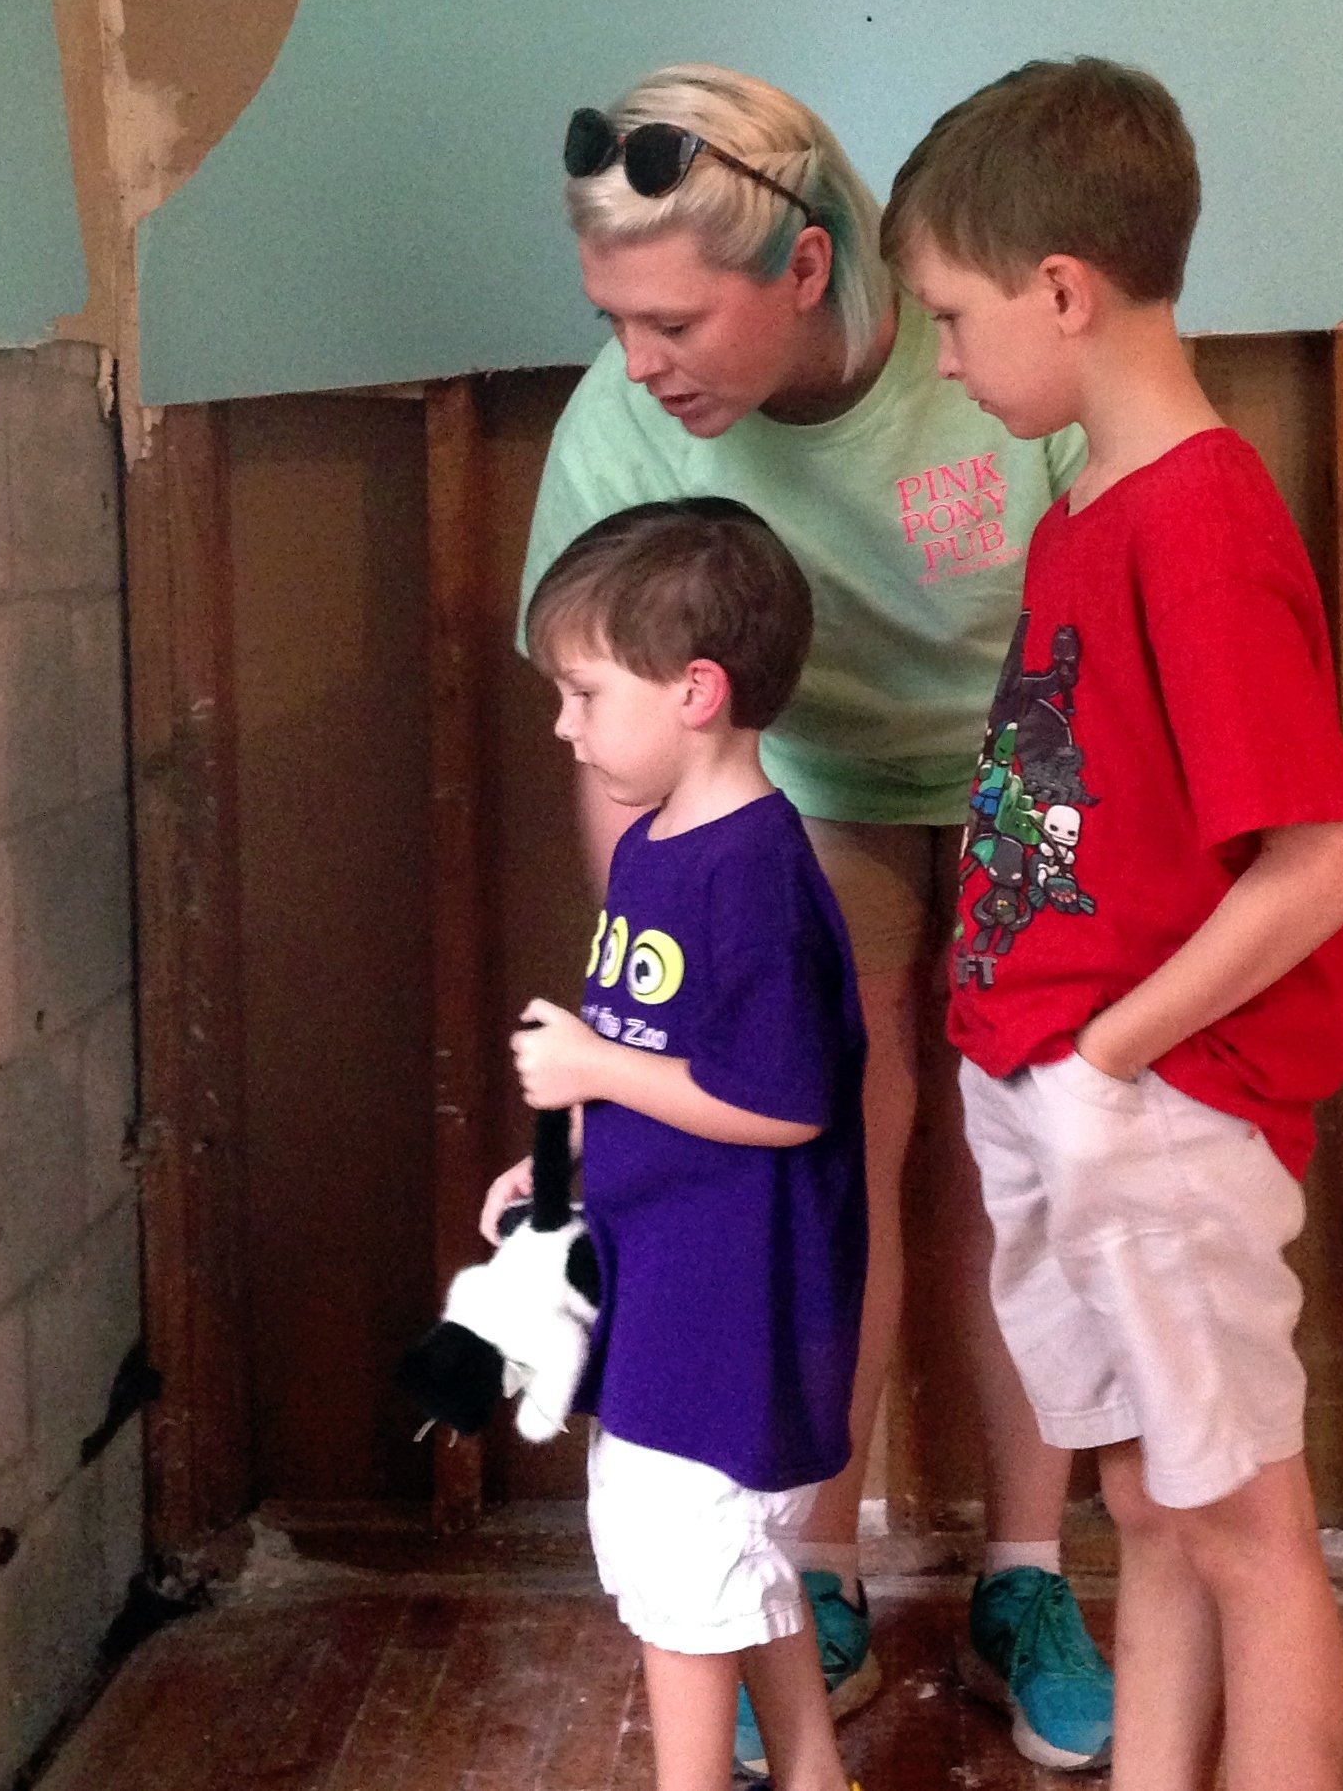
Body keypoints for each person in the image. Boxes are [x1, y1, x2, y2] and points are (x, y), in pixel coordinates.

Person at [520, 64, 1113, 1776]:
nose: (642, 362)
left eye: (674, 319)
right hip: (799, 791)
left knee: (1021, 1142)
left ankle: (1021, 1573)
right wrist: (646, 988)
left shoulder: (966, 341)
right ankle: (812, 1564)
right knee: (828, 1143)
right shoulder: (616, 424)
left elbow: (1104, 613)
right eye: (613, 319)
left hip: (1023, 755)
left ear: (800, 270)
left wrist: (1068, 881)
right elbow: (614, 749)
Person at [881, 55, 1343, 1791]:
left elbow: (1323, 856)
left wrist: (1108, 1049)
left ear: (1062, 292)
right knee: (1146, 1508)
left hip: (1152, 1104)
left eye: (949, 314)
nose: (938, 356)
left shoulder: (1202, 521)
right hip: (1057, 1091)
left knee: (1240, 1524)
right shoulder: (1084, 506)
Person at [488, 498, 868, 1791]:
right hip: (663, 1280)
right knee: (727, 1569)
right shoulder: (654, 847)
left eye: (585, 692)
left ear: (695, 689)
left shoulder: (755, 874)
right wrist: (562, 1159)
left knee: (675, 1572)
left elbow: (785, 1097)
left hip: (727, 1312)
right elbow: (655, 1049)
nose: (564, 724)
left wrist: (593, 1069)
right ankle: (812, 1774)